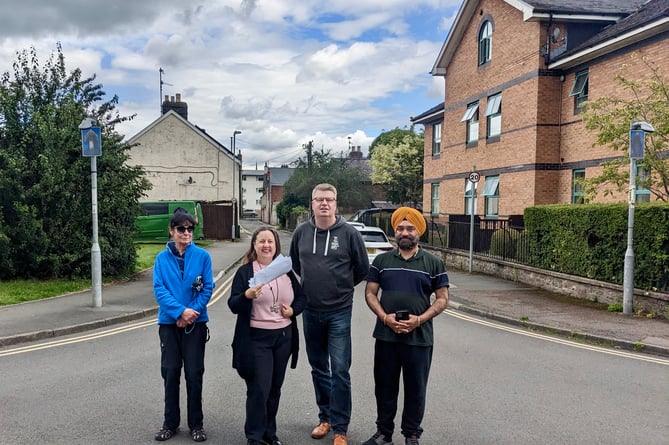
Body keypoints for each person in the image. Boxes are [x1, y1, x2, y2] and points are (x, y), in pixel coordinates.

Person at [289, 183, 370, 445]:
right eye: (319, 199)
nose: (324, 203)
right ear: (312, 203)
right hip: (310, 311)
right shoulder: (301, 232)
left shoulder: (349, 234)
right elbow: (295, 265)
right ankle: (325, 418)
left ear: (336, 204)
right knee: (318, 369)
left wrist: (340, 290)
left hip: (339, 312)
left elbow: (361, 269)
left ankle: (341, 429)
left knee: (340, 371)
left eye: (329, 199)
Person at [362, 207, 449, 445]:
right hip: (386, 336)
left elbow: (442, 299)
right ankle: (384, 433)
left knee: (416, 389)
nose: (404, 232)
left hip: (419, 338)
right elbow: (370, 293)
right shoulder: (382, 261)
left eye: (410, 228)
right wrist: (384, 317)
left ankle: (411, 434)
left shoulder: (433, 263)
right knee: (384, 387)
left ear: (419, 231)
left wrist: (420, 320)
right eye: (400, 228)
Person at [228, 226, 306, 445]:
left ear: (276, 245)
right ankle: (254, 436)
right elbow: (233, 304)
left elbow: (301, 298)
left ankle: (269, 434)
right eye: (261, 241)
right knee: (259, 388)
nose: (266, 245)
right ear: (254, 245)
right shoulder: (245, 272)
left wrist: (293, 311)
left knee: (274, 389)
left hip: (283, 337)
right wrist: (246, 295)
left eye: (270, 242)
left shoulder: (285, 270)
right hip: (256, 338)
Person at [153, 208, 214, 442]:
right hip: (169, 324)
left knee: (194, 373)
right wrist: (179, 311)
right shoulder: (161, 258)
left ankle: (196, 424)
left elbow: (207, 287)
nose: (186, 233)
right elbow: (160, 289)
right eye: (181, 228)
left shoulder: (202, 257)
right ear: (172, 231)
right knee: (170, 373)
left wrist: (191, 313)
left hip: (195, 324)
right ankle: (170, 423)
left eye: (190, 228)